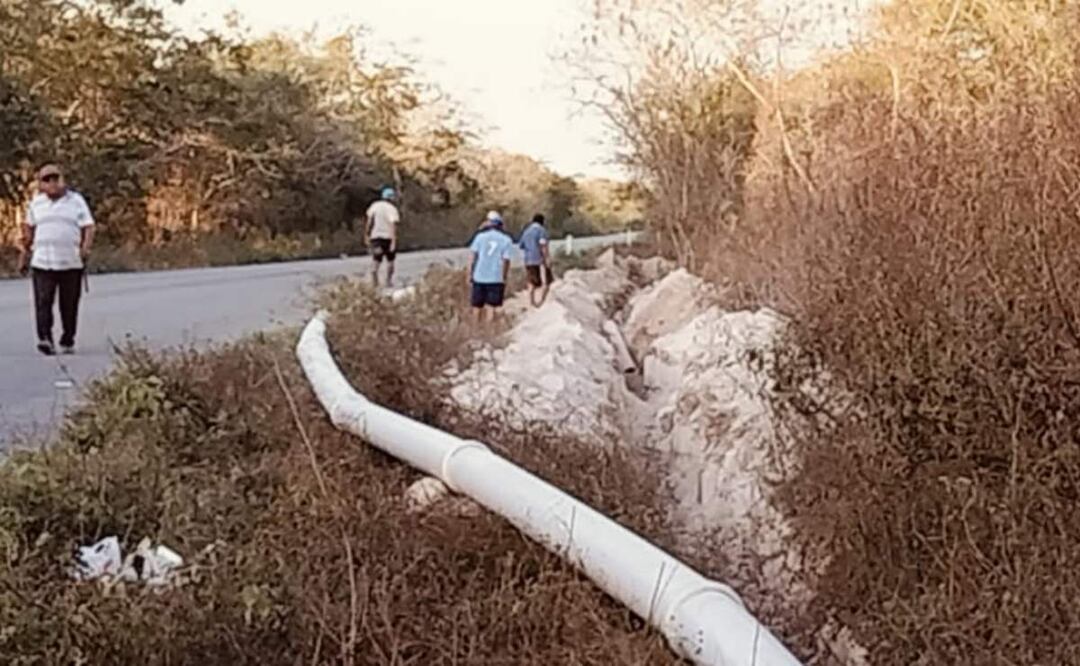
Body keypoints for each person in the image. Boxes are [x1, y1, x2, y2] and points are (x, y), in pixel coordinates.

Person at [17, 162, 95, 356]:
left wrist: (85, 248)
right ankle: (45, 339)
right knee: (43, 302)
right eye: (47, 180)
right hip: (43, 262)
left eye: (55, 178)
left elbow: (88, 226)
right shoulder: (36, 203)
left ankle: (68, 339)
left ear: (62, 180)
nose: (52, 183)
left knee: (69, 304)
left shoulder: (75, 201)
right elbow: (28, 229)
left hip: (70, 262)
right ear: (41, 184)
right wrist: (24, 255)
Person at [467, 211, 515, 324]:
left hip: (479, 276)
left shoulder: (479, 237)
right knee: (491, 306)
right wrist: (504, 276)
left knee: (477, 306)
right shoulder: (506, 240)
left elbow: (472, 257)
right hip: (495, 277)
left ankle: (475, 328)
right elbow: (506, 260)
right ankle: (489, 328)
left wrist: (469, 273)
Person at [365, 186, 400, 288]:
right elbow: (392, 225)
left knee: (376, 259)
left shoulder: (374, 206)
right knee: (390, 261)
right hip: (388, 237)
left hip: (375, 237)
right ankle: (388, 282)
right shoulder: (392, 209)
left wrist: (366, 234)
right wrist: (393, 241)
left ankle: (374, 282)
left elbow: (369, 221)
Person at [518, 213, 554, 307]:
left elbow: (521, 245)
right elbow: (543, 245)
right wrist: (547, 258)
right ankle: (541, 301)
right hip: (539, 260)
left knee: (531, 281)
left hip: (528, 260)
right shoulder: (541, 230)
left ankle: (532, 301)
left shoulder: (526, 231)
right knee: (546, 281)